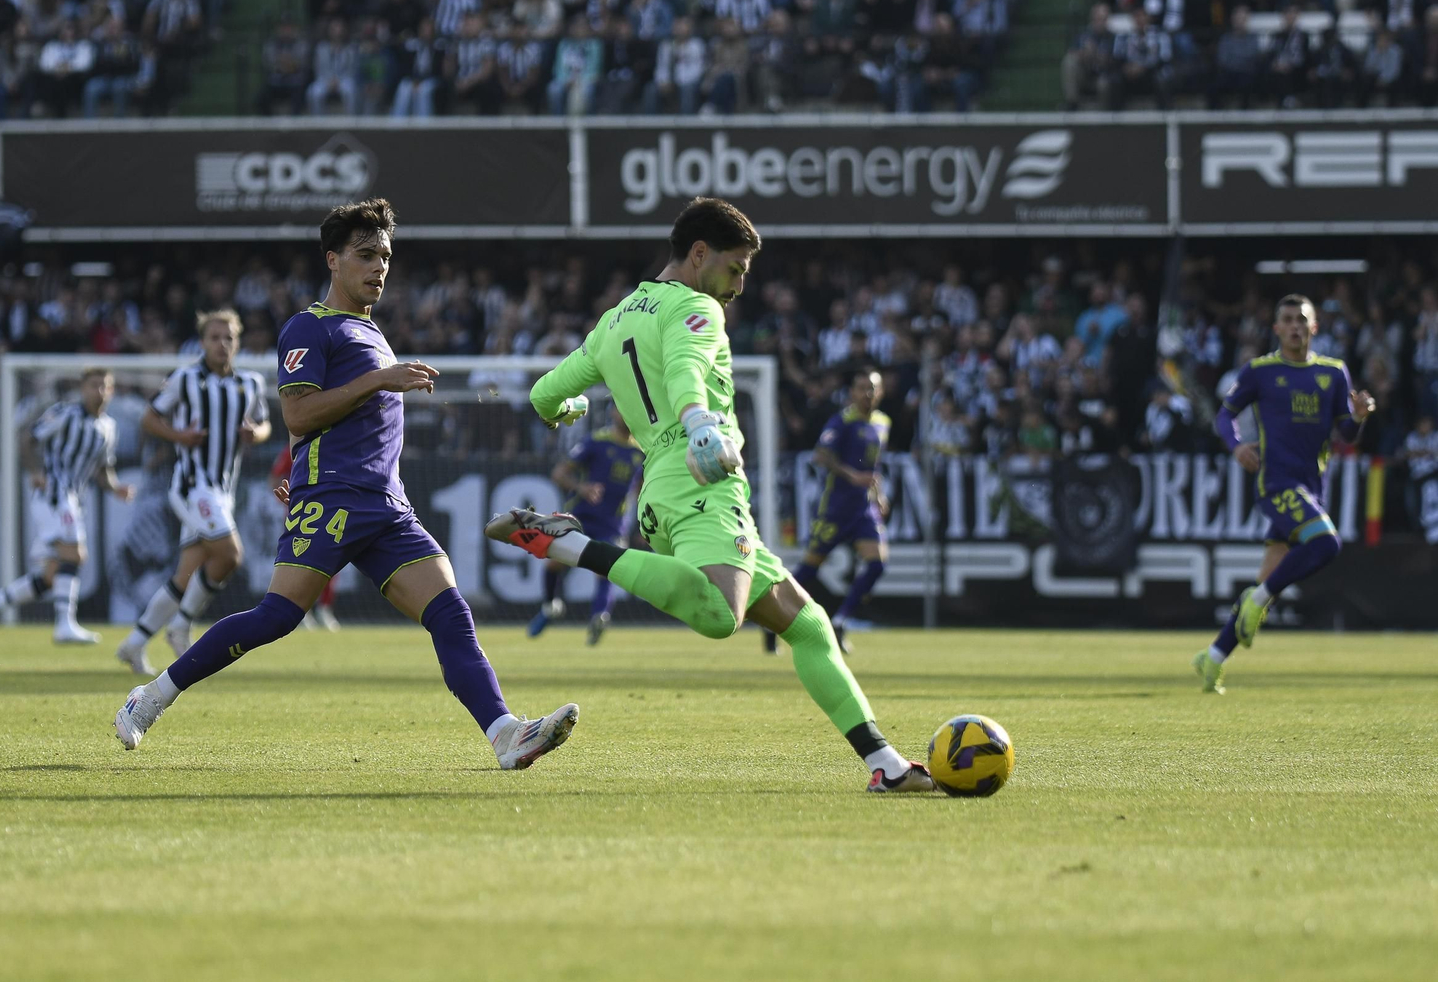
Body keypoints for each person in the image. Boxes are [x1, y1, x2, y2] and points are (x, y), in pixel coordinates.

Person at [487, 197, 934, 794]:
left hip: (662, 489)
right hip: (702, 476)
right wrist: (700, 423)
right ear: (700, 254)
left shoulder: (615, 318)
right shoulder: (696, 307)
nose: (741, 284)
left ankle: (886, 763)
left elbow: (545, 394)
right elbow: (685, 370)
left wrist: (570, 408)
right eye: (736, 267)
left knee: (806, 624)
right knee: (723, 615)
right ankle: (566, 546)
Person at [113, 199, 578, 771]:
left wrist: (373, 385)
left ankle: (506, 733)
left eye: (384, 255)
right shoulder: (308, 327)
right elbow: (299, 416)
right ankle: (151, 697)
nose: (379, 266)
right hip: (332, 499)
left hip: (387, 505)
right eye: (365, 255)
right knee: (276, 618)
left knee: (450, 613)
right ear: (333, 260)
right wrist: (376, 384)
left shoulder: (373, 333)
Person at [1194, 294, 1376, 694]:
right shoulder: (1261, 371)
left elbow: (1345, 432)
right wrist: (1237, 445)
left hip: (1312, 488)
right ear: (1276, 328)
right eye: (1287, 319)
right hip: (1276, 484)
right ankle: (1256, 599)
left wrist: (1359, 417)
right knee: (1326, 543)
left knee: (1265, 589)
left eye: (1302, 319)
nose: (1295, 326)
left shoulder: (1333, 373)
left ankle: (1212, 657)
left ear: (1314, 327)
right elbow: (1225, 414)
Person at [116, 310, 271, 676]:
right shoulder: (185, 379)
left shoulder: (249, 384)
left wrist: (256, 434)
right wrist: (180, 437)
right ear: (202, 342)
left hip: (223, 490)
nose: (222, 344)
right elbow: (150, 418)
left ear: (238, 342)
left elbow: (263, 424)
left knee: (186, 574)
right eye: (215, 337)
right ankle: (182, 625)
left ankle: (134, 643)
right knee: (231, 555)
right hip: (191, 487)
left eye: (229, 338)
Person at [0, 369, 135, 646]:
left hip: (73, 499)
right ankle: (64, 624)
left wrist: (116, 487)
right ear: (82, 388)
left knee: (50, 576)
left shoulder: (108, 427)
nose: (99, 391)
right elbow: (27, 439)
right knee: (75, 554)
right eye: (93, 385)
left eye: (104, 386)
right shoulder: (65, 413)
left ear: (112, 391)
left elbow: (103, 471)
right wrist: (35, 471)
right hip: (54, 495)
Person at [790, 367, 891, 656]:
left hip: (864, 509)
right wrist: (852, 476)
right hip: (836, 508)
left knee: (877, 564)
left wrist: (878, 494)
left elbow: (875, 466)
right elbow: (821, 456)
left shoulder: (884, 423)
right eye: (862, 388)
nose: (867, 394)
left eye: (873, 388)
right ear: (852, 392)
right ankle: (771, 621)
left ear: (880, 392)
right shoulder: (842, 421)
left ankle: (841, 619)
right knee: (810, 569)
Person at [527, 408, 643, 645]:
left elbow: (642, 489)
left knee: (607, 571)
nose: (627, 414)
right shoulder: (596, 441)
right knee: (554, 563)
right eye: (622, 410)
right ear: (612, 413)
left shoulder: (640, 451)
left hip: (613, 524)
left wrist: (644, 521)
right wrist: (582, 488)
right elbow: (559, 473)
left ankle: (599, 617)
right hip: (581, 517)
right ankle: (550, 607)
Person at [270, 443, 341, 631]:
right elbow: (275, 478)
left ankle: (324, 609)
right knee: (299, 563)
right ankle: (301, 611)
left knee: (331, 564)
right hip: (301, 517)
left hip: (330, 513)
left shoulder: (336, 446)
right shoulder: (294, 449)